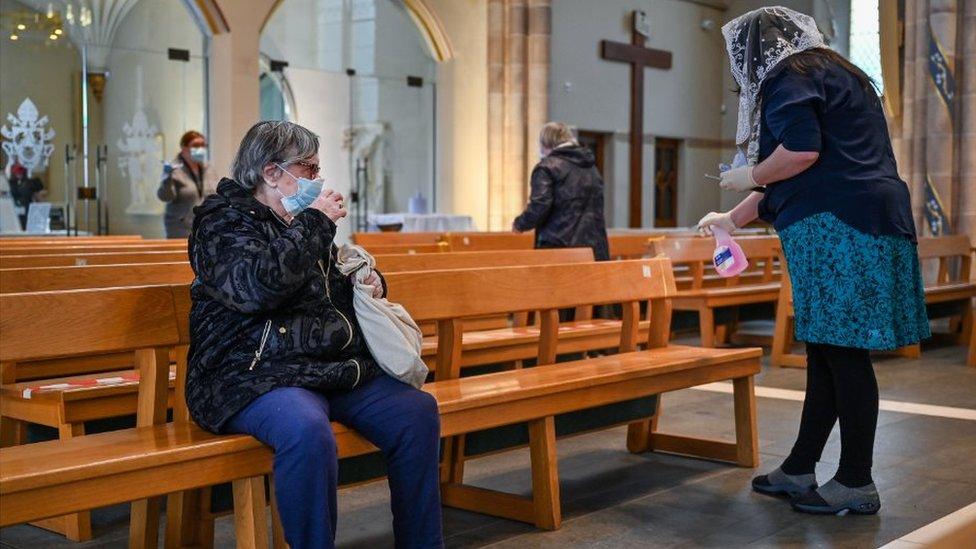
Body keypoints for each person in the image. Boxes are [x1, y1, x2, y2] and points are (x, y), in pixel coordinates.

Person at [699, 7, 929, 516]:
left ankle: (855, 481)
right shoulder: (839, 73)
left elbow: (800, 154)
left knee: (842, 353)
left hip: (837, 226)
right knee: (828, 351)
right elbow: (815, 169)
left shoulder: (789, 76)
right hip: (864, 216)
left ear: (756, 50)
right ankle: (801, 467)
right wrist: (731, 217)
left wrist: (749, 173)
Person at [186, 120, 443, 548]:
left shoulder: (301, 222)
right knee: (306, 430)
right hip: (250, 374)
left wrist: (371, 281)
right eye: (308, 168)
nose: (317, 179)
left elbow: (328, 291)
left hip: (323, 369)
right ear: (271, 173)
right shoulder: (220, 224)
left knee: (416, 413)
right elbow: (256, 290)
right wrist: (314, 223)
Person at [512, 121, 610, 262]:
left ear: (546, 143)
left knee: (556, 284)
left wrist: (520, 224)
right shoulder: (592, 168)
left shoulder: (547, 168)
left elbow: (539, 206)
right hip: (594, 251)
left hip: (560, 249)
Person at [157, 130, 218, 238]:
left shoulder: (209, 169)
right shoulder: (174, 169)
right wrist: (167, 178)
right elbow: (165, 197)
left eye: (203, 145)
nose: (200, 149)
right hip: (180, 230)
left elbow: (216, 194)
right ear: (184, 148)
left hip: (206, 229)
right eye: (195, 145)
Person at [7, 163, 46, 230]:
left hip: (29, 210)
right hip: (14, 212)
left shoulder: (31, 182)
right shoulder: (11, 183)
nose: (19, 174)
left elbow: (41, 194)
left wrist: (38, 199)